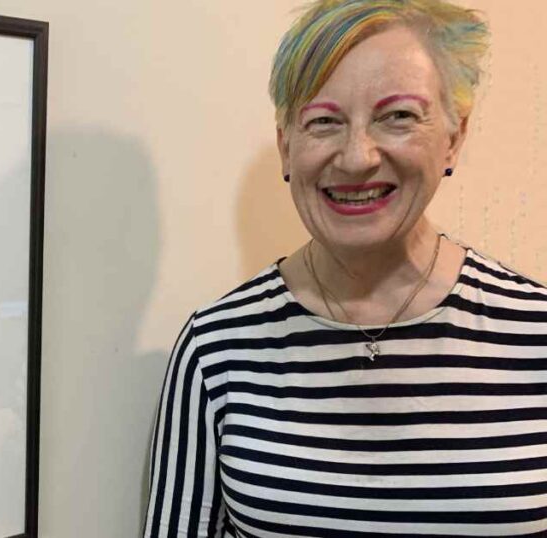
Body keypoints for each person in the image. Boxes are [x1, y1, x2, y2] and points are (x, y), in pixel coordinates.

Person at [145, 1, 547, 536]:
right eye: (324, 122)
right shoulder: (218, 347)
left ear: (454, 136)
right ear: (287, 146)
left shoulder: (535, 335)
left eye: (398, 116)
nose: (357, 157)